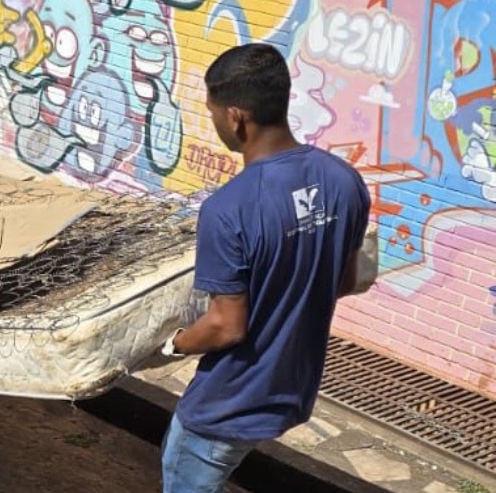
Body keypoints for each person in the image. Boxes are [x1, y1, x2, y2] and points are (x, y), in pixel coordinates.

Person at [158, 43, 370, 492]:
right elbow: (346, 280)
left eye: (213, 111)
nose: (214, 122)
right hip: (291, 390)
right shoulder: (343, 179)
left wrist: (173, 345)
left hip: (227, 405)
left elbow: (225, 327)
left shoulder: (228, 209)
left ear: (236, 117)